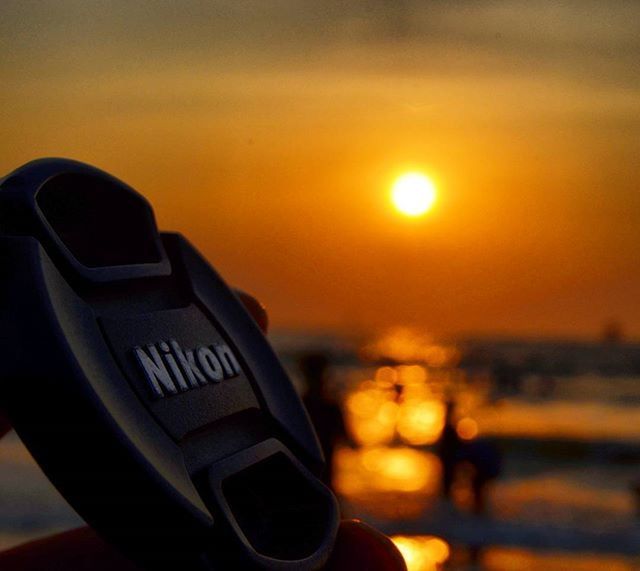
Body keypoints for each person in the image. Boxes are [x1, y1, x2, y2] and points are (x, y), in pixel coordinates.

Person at [0, 293, 406, 571]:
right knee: (324, 546)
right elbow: (336, 441)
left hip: (275, 490)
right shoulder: (307, 404)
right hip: (301, 489)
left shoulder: (294, 401)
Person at [300, 352, 348, 486]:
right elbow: (346, 437)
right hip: (325, 470)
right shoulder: (330, 406)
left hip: (306, 470)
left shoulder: (298, 405)